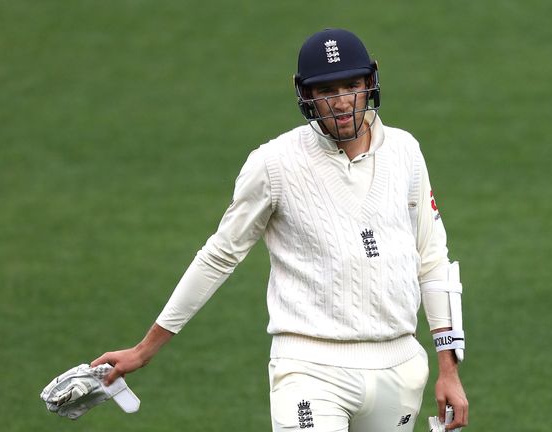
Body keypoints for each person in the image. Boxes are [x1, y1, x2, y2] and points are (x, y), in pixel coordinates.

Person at [92, 28, 469, 431]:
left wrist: (449, 370)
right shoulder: (273, 164)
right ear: (304, 93)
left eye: (351, 85)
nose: (341, 101)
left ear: (371, 82)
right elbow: (219, 256)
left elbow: (432, 261)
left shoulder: (405, 152)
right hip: (310, 367)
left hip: (399, 367)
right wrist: (145, 349)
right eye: (326, 90)